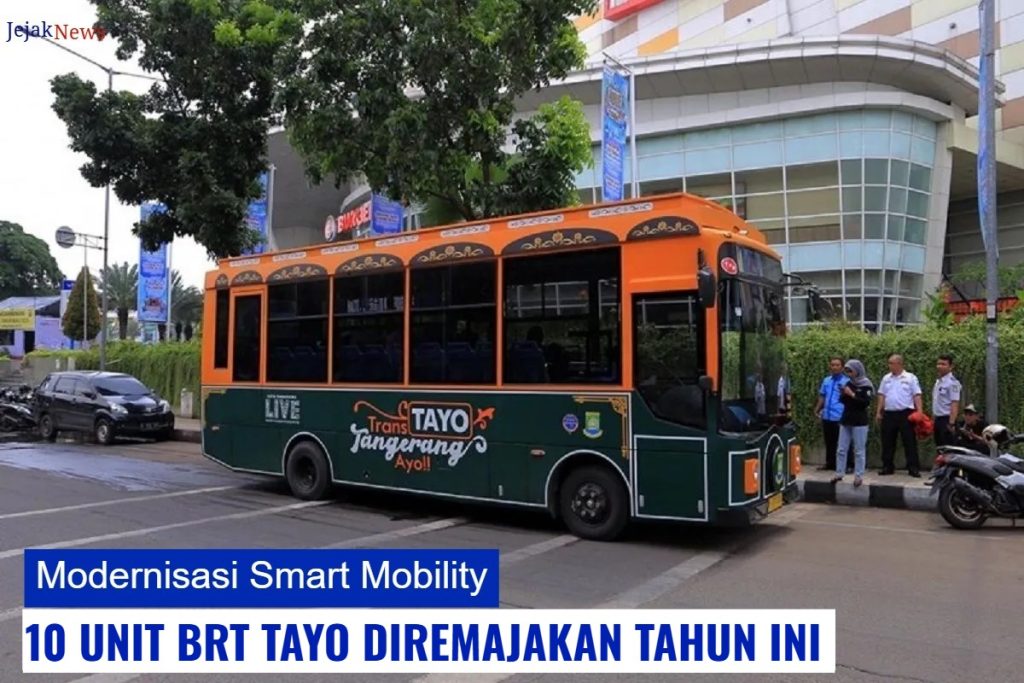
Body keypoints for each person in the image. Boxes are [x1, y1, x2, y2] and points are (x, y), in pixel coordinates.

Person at [875, 353, 924, 477]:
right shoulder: (886, 378)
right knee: (887, 441)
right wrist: (878, 411)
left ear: (899, 364)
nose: (889, 365)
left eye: (891, 363)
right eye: (889, 363)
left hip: (906, 414)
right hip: (889, 413)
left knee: (909, 441)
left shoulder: (910, 378)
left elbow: (917, 395)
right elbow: (881, 395)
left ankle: (913, 468)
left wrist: (920, 412)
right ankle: (887, 466)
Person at [833, 359, 874, 487]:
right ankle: (839, 473)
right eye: (847, 371)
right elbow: (843, 400)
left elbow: (864, 402)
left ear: (858, 370)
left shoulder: (866, 385)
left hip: (860, 421)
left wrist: (851, 394)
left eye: (851, 370)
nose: (849, 373)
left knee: (859, 450)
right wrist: (845, 393)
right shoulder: (849, 383)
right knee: (841, 448)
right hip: (846, 419)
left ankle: (858, 475)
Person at [814, 357, 850, 472]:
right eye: (832, 365)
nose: (834, 367)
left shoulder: (847, 381)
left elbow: (850, 398)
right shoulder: (826, 380)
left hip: (839, 415)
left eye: (837, 365)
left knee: (843, 442)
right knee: (829, 441)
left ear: (842, 367)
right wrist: (817, 408)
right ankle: (830, 463)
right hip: (827, 415)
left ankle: (848, 465)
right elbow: (822, 396)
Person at [931, 354, 962, 448]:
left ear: (951, 366)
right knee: (940, 447)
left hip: (947, 420)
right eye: (938, 364)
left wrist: (951, 423)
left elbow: (954, 403)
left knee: (949, 448)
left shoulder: (952, 383)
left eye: (943, 364)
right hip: (938, 419)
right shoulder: (938, 381)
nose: (940, 366)